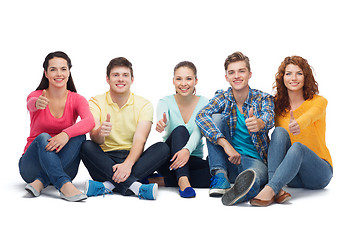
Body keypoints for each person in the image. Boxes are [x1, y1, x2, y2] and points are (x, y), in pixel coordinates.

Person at [80, 57, 170, 200]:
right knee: (85, 145)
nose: (120, 79)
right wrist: (100, 133)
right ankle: (136, 187)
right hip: (104, 162)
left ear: (132, 79)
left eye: (125, 75)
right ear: (108, 79)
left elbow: (140, 140)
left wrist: (127, 164)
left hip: (133, 160)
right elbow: (94, 137)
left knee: (163, 148)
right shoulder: (95, 102)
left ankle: (107, 186)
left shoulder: (144, 104)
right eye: (115, 75)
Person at [250, 56, 333, 206]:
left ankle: (270, 188)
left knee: (298, 147)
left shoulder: (319, 101)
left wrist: (299, 124)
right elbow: (266, 118)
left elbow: (310, 115)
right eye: (288, 74)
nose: (293, 78)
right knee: (279, 132)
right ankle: (276, 187)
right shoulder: (277, 105)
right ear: (282, 78)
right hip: (291, 176)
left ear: (305, 77)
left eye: (299, 73)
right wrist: (258, 123)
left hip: (319, 172)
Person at [196, 51, 274, 206]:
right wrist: (226, 145)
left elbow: (269, 116)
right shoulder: (223, 97)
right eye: (232, 72)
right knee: (215, 118)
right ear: (227, 77)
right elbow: (201, 116)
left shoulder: (263, 98)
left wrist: (260, 123)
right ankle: (220, 176)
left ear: (249, 74)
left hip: (254, 162)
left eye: (241, 71)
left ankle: (246, 188)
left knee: (258, 175)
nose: (237, 76)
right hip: (228, 161)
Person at [19, 51, 95, 202]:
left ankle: (41, 182)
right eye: (53, 69)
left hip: (64, 164)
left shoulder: (77, 99)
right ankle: (64, 184)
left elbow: (89, 121)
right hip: (31, 167)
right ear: (46, 73)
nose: (58, 73)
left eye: (63, 69)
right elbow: (30, 103)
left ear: (69, 72)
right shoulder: (37, 95)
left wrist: (65, 134)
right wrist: (36, 103)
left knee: (80, 135)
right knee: (44, 137)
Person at [155, 61, 211, 198]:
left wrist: (187, 150)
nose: (183, 83)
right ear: (173, 81)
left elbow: (199, 132)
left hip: (192, 158)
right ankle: (183, 181)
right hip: (170, 159)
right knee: (180, 130)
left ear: (196, 81)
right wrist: (161, 123)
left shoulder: (205, 103)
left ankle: (159, 180)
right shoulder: (165, 101)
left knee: (215, 175)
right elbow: (162, 117)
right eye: (179, 79)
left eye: (188, 78)